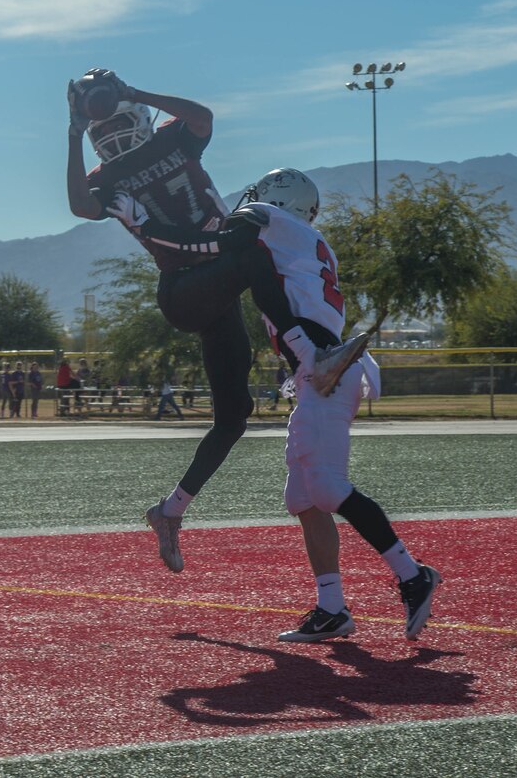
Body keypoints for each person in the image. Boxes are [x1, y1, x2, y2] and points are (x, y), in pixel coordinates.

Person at [65, 68, 366, 572]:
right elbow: (78, 205)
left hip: (214, 287)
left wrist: (134, 90)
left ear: (137, 112)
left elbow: (202, 117)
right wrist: (73, 132)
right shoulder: (105, 178)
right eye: (98, 125)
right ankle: (311, 357)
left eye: (115, 115)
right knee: (250, 253)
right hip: (184, 288)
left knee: (234, 416)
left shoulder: (171, 140)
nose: (109, 131)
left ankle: (169, 511)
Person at [148, 167, 440, 642]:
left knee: (325, 489)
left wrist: (150, 229)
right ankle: (332, 608)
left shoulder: (268, 220)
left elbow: (220, 245)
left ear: (275, 200)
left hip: (326, 370)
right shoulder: (307, 240)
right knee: (304, 500)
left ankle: (413, 575)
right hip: (317, 373)